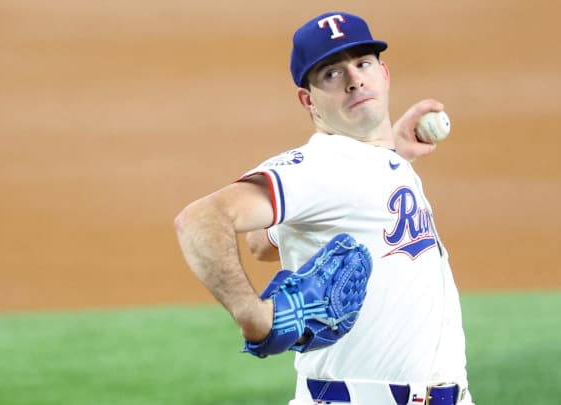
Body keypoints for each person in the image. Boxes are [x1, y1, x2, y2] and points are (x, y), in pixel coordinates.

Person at [175, 11, 474, 405]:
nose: (354, 79)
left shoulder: (372, 163)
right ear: (308, 100)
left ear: (384, 74)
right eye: (332, 74)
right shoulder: (325, 164)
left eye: (362, 63)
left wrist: (393, 153)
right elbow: (199, 219)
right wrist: (252, 313)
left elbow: (262, 245)